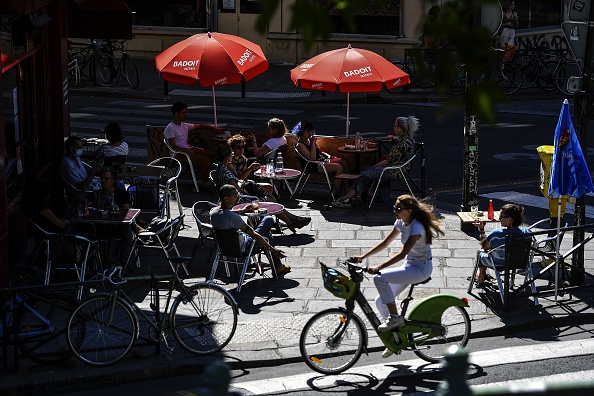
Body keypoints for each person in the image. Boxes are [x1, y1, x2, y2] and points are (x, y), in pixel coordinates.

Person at [352, 194, 444, 358]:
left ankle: (395, 317)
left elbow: (402, 254)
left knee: (379, 278)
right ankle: (395, 338)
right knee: (380, 302)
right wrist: (362, 257)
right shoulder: (401, 222)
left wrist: (378, 267)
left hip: (420, 269)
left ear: (408, 211)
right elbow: (385, 243)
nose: (394, 210)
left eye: (398, 208)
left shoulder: (416, 227)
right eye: (394, 207)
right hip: (409, 266)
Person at [213, 144, 311, 233]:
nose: (232, 155)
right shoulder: (226, 171)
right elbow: (235, 190)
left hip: (231, 197)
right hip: (237, 199)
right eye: (232, 154)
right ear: (227, 157)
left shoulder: (220, 169)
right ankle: (292, 221)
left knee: (271, 199)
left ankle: (292, 220)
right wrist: (240, 183)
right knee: (270, 202)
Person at [332, 116, 418, 208]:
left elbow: (387, 161)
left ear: (400, 129)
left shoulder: (402, 144)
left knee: (365, 173)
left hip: (394, 171)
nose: (393, 127)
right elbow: (398, 146)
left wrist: (374, 167)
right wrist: (393, 138)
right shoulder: (408, 139)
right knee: (365, 170)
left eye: (395, 125)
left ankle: (346, 198)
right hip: (400, 169)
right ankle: (356, 197)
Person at [210, 184, 291, 275]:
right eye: (235, 195)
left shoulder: (213, 212)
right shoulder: (234, 218)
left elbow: (226, 213)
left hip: (224, 248)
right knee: (268, 220)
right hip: (244, 249)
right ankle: (277, 266)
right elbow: (253, 234)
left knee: (264, 234)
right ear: (226, 198)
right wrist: (272, 250)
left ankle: (278, 265)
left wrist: (242, 211)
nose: (238, 197)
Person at [164, 101, 221, 182]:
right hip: (179, 154)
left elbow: (200, 126)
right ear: (176, 114)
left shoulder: (184, 125)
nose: (185, 115)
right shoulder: (170, 127)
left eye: (185, 112)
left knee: (214, 155)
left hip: (189, 150)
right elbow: (173, 145)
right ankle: (204, 182)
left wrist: (213, 128)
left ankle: (214, 177)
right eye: (183, 113)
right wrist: (186, 150)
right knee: (207, 161)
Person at [473, 203, 527, 286]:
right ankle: (509, 280)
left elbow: (485, 246)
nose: (499, 219)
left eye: (501, 217)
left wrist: (481, 229)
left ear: (510, 220)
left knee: (481, 253)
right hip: (519, 262)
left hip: (498, 263)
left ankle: (481, 277)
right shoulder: (526, 233)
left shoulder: (497, 234)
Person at [293, 121, 350, 195]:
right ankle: (337, 191)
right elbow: (312, 158)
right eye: (307, 131)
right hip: (312, 165)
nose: (310, 133)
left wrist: (328, 155)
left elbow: (320, 151)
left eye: (311, 131)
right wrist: (313, 143)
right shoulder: (300, 145)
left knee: (343, 161)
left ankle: (346, 185)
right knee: (339, 167)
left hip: (320, 161)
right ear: (301, 132)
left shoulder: (309, 140)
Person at [60, 135, 104, 200]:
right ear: (72, 149)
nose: (81, 150)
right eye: (79, 148)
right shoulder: (68, 165)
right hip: (83, 193)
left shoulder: (76, 158)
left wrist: (95, 167)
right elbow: (82, 186)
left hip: (91, 185)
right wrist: (94, 170)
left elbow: (84, 173)